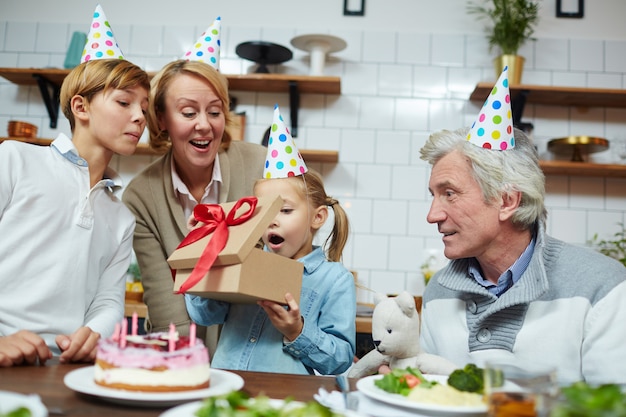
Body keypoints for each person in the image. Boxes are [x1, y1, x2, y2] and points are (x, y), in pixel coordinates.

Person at [418, 69, 626, 385]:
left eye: (449, 193)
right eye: (433, 196)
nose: (433, 215)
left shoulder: (603, 288)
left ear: (507, 201)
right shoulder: (438, 292)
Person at [0, 57, 150, 366]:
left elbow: (108, 302)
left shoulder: (122, 217)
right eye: (124, 102)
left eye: (145, 109)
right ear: (80, 107)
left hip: (65, 364)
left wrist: (93, 335)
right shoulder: (15, 159)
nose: (139, 117)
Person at [185, 106, 356, 375]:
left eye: (285, 211)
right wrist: (205, 257)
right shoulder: (243, 263)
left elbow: (341, 358)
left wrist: (296, 331)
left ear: (318, 217)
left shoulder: (334, 280)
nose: (272, 220)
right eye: (263, 212)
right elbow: (204, 316)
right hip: (228, 392)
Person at [122, 59, 267, 353]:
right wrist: (190, 367)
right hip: (187, 355)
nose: (204, 124)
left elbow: (290, 260)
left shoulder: (261, 166)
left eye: (214, 112)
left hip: (260, 348)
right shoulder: (141, 196)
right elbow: (166, 302)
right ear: (161, 118)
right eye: (188, 112)